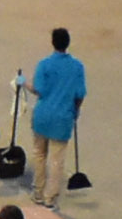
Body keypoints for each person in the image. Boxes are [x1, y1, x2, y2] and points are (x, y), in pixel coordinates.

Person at [27, 29, 87, 204]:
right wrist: (76, 111)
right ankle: (50, 197)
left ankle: (38, 191)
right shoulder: (77, 67)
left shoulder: (44, 64)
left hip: (42, 115)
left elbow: (38, 90)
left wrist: (23, 83)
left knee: (39, 154)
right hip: (63, 117)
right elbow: (80, 94)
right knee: (56, 160)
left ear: (52, 42)